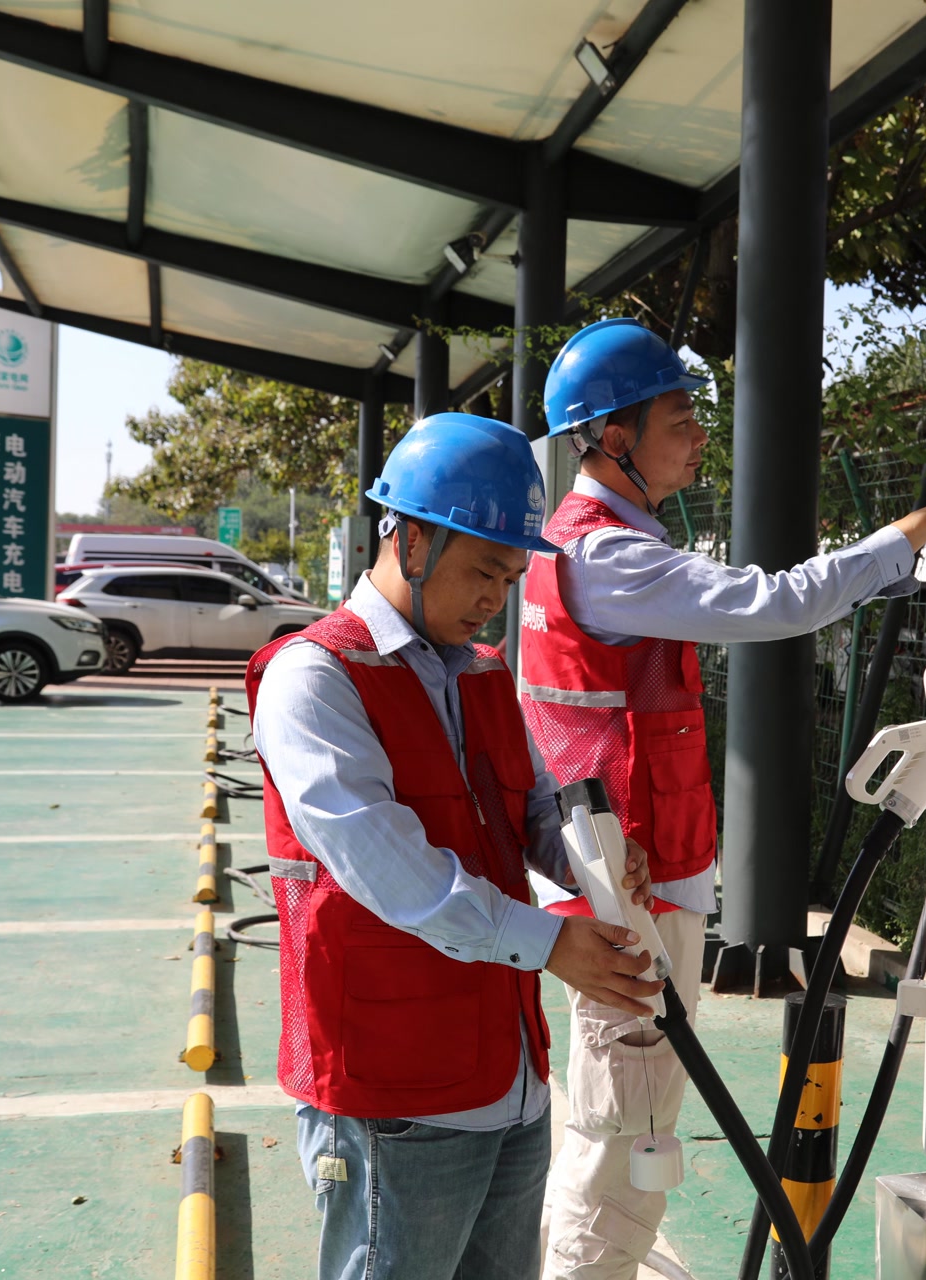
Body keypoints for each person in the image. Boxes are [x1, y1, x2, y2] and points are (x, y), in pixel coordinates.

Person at [523, 319, 926, 1279]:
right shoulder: (609, 560)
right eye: (679, 419)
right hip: (633, 889)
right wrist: (919, 529)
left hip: (617, 873)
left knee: (614, 1121)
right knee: (626, 1137)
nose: (699, 437)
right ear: (615, 438)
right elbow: (775, 602)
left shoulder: (576, 546)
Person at [246, 412, 665, 1280]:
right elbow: (387, 865)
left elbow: (532, 808)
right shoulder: (314, 679)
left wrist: (591, 857)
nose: (494, 599)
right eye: (482, 571)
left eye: (510, 577)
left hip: (507, 1079)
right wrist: (549, 941)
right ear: (411, 541)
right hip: (393, 1097)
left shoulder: (479, 673)